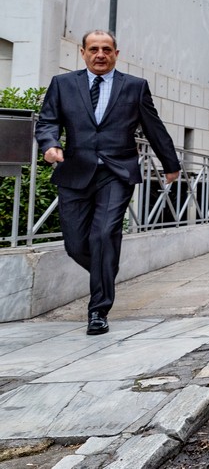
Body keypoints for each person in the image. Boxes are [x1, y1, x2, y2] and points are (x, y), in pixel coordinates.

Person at [35, 30, 180, 336]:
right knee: (76, 245)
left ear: (116, 53)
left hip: (116, 173)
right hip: (75, 171)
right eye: (93, 49)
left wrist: (170, 164)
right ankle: (106, 268)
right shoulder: (63, 84)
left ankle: (98, 311)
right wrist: (50, 145)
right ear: (83, 52)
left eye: (106, 49)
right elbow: (48, 121)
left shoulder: (135, 87)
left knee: (103, 235)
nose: (100, 54)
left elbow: (153, 127)